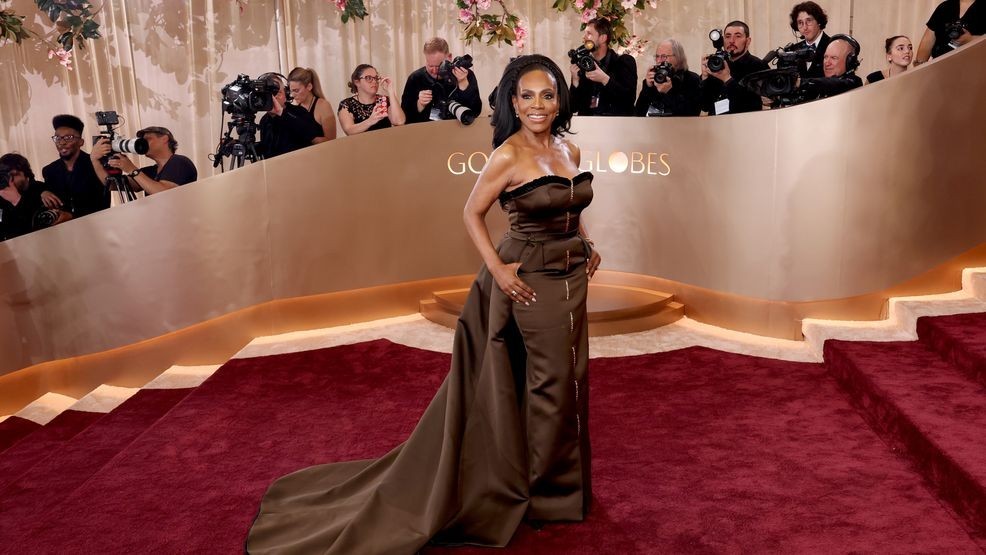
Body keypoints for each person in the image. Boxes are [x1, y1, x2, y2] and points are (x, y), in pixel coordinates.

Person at [247, 54, 601, 554]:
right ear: (513, 103)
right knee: (549, 384)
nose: (538, 105)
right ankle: (545, 496)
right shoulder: (508, 154)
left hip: (571, 275)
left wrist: (586, 240)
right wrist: (498, 271)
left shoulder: (570, 146)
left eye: (547, 95)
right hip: (528, 280)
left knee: (572, 374)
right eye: (527, 96)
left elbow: (570, 201)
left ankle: (558, 486)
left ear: (560, 98)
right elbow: (472, 214)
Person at [91, 126, 197, 197]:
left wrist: (132, 169)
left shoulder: (179, 162)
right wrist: (95, 160)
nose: (142, 143)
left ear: (164, 139)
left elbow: (164, 195)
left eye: (147, 139)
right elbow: (111, 184)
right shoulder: (150, 171)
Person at [40, 114, 109, 218]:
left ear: (81, 142)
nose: (61, 142)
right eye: (57, 138)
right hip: (63, 229)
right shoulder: (49, 170)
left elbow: (102, 202)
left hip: (97, 225)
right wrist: (42, 192)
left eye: (68, 137)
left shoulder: (96, 164)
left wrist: (72, 216)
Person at [400, 37, 482, 124]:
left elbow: (476, 111)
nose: (435, 71)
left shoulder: (466, 75)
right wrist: (419, 104)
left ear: (449, 57)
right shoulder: (415, 78)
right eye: (430, 65)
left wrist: (463, 84)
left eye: (439, 65)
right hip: (426, 133)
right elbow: (405, 119)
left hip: (459, 131)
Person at [569, 17, 637, 116]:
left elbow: (629, 100)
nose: (584, 37)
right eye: (585, 33)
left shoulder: (623, 62)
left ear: (603, 38)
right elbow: (573, 107)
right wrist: (575, 82)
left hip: (615, 126)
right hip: (588, 127)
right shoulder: (584, 64)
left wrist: (605, 80)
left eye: (589, 33)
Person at [699, 21, 769, 115]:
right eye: (727, 36)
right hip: (716, 125)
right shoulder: (716, 64)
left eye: (738, 36)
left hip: (745, 125)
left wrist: (727, 79)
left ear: (748, 41)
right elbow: (704, 105)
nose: (731, 40)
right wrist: (704, 78)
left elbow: (752, 105)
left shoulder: (759, 66)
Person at [258, 74, 324, 159]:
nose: (274, 98)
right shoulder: (264, 121)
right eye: (269, 94)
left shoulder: (299, 112)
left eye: (278, 93)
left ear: (286, 94)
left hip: (300, 166)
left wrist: (281, 112)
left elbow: (311, 135)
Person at [634, 38, 701, 117]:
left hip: (681, 128)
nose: (659, 60)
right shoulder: (654, 80)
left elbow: (692, 113)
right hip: (653, 127)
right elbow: (638, 113)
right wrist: (647, 87)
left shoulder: (691, 79)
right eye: (657, 56)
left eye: (664, 56)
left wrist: (669, 92)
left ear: (678, 57)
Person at [338, 64, 406, 135]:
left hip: (385, 143)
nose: (374, 82)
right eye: (369, 78)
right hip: (360, 145)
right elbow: (349, 130)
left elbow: (399, 122)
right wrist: (370, 121)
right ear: (357, 82)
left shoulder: (384, 100)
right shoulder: (347, 104)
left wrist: (390, 91)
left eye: (376, 78)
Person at [915, 0, 985, 64]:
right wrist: (919, 68)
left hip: (972, 68)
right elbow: (927, 42)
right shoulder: (944, 7)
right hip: (939, 69)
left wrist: (971, 40)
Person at [798, 35, 863, 100]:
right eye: (826, 57)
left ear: (849, 62)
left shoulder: (854, 83)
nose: (827, 63)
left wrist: (799, 82)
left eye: (834, 58)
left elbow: (834, 84)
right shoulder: (820, 81)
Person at [287, 67, 337, 143]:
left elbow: (331, 141)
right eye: (291, 91)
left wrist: (309, 136)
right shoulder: (295, 109)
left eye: (296, 91)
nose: (292, 95)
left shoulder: (323, 106)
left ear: (309, 87)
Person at [0, 158, 43, 240]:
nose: (10, 180)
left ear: (26, 175)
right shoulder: (2, 195)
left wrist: (17, 200)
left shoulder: (40, 190)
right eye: (6, 175)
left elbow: (36, 228)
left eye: (14, 174)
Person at [789, 2, 832, 78]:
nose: (805, 27)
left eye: (809, 21)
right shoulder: (793, 49)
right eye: (800, 22)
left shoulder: (833, 46)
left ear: (819, 22)